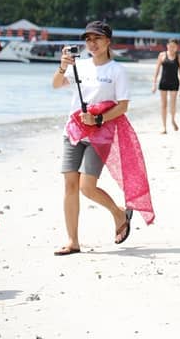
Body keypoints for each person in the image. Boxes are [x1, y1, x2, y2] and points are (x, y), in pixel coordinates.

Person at [51, 21, 135, 255]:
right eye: (88, 39)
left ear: (108, 41)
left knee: (87, 187)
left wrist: (98, 120)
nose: (92, 43)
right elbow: (56, 85)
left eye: (97, 38)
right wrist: (62, 66)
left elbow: (123, 106)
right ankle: (72, 241)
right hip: (73, 131)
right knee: (69, 184)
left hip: (100, 133)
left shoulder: (117, 70)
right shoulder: (79, 66)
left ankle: (118, 213)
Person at [152, 38, 180, 134]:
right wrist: (154, 83)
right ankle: (164, 126)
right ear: (167, 46)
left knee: (173, 105)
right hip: (163, 82)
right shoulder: (162, 55)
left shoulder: (179, 57)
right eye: (170, 46)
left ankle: (173, 119)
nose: (171, 48)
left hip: (174, 82)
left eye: (174, 46)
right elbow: (157, 70)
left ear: (177, 47)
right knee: (163, 105)